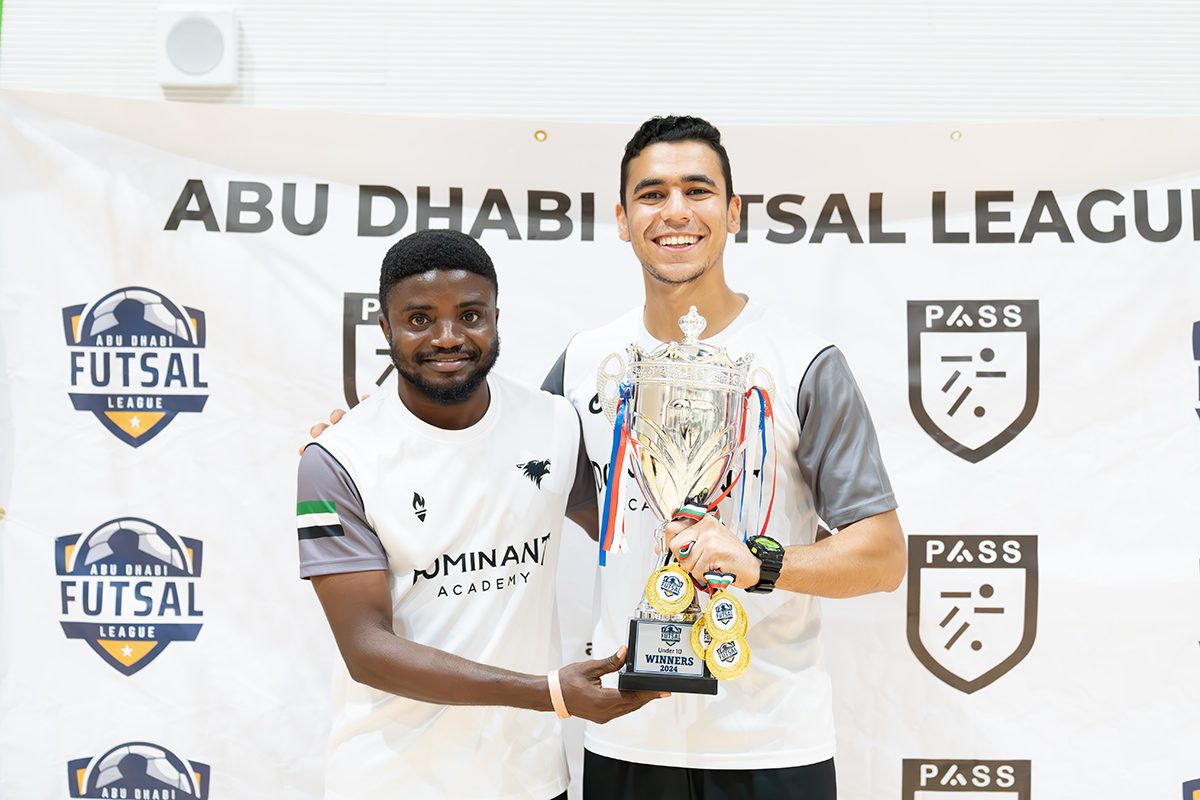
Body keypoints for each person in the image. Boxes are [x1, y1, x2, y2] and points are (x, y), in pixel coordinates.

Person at [540, 116, 907, 799]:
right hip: (628, 734)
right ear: (621, 219)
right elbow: (504, 470)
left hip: (771, 740)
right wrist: (362, 440)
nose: (675, 211)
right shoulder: (585, 362)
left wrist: (758, 562)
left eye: (697, 190)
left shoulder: (803, 361)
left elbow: (883, 556)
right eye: (652, 194)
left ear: (733, 212)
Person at [296, 229, 663, 800]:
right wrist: (548, 692)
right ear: (386, 329)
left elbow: (627, 532)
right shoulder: (337, 459)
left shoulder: (554, 424)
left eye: (470, 315)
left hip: (530, 779)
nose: (448, 337)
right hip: (394, 783)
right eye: (420, 319)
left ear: (496, 319)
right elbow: (366, 650)